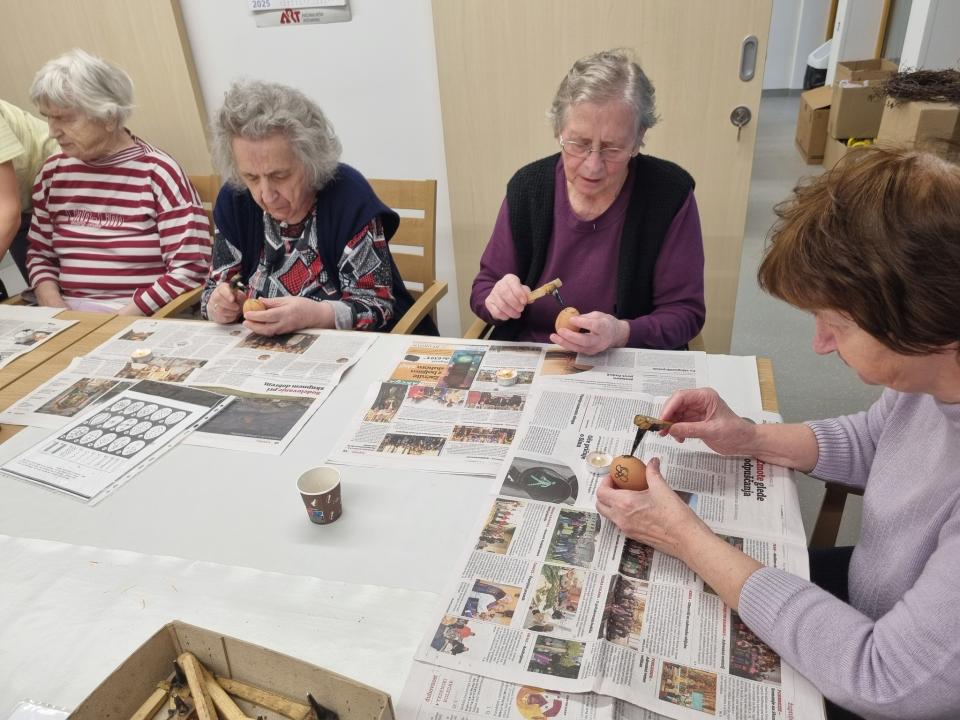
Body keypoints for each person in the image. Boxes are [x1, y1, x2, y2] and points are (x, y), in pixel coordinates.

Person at [595, 145, 960, 719]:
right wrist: (747, 437)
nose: (819, 344)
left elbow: (884, 680)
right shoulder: (931, 376)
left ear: (923, 318)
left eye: (837, 323)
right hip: (877, 598)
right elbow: (878, 440)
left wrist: (682, 535)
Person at [470, 49, 704, 353]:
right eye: (579, 144)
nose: (593, 166)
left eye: (612, 148)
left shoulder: (668, 194)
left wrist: (622, 332)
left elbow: (685, 312)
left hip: (624, 355)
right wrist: (497, 298)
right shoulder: (528, 187)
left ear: (638, 138)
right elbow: (484, 286)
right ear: (558, 130)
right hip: (531, 354)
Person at [203, 79, 432, 336]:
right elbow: (216, 288)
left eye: (280, 176)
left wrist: (316, 315)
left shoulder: (349, 197)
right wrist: (219, 305)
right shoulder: (235, 199)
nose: (266, 195)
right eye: (251, 177)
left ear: (311, 161)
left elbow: (376, 305)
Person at [26, 49, 211, 314]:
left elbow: (190, 269)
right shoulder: (52, 174)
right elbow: (40, 255)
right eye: (48, 117)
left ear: (109, 117)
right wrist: (57, 310)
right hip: (65, 312)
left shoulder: (158, 173)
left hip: (137, 314)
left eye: (65, 118)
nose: (53, 132)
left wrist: (118, 321)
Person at [0, 99, 59, 295]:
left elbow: (8, 213)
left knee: (81, 289)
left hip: (61, 183)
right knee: (43, 293)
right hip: (23, 205)